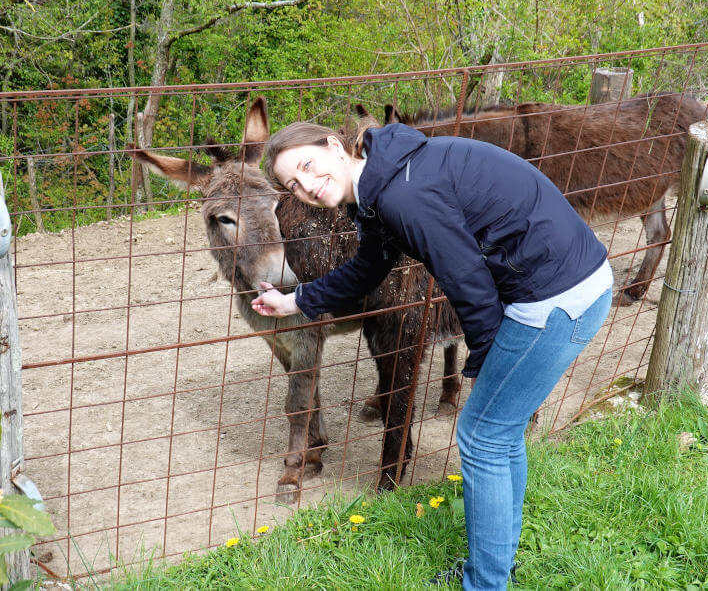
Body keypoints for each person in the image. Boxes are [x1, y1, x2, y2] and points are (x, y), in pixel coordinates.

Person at [251, 119, 613, 590]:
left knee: (482, 437)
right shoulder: (384, 178)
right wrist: (296, 300)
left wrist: (484, 364)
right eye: (292, 185)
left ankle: (485, 582)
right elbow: (368, 269)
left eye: (308, 166)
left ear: (334, 147)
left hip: (556, 298)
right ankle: (496, 565)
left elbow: (469, 285)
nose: (307, 186)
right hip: (570, 281)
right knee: (498, 435)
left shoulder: (402, 196)